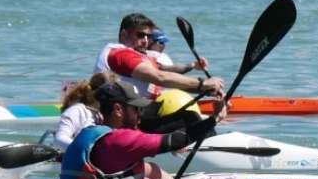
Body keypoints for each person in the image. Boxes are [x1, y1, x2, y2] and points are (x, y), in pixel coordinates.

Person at [60, 80, 227, 179]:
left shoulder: (91, 134)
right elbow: (175, 140)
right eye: (136, 108)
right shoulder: (118, 139)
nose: (141, 114)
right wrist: (216, 117)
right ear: (118, 109)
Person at [94, 13, 223, 133]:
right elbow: (160, 77)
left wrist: (204, 87)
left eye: (148, 37)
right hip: (124, 120)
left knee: (191, 117)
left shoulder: (137, 56)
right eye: (140, 35)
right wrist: (203, 83)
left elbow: (165, 70)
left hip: (140, 111)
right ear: (124, 35)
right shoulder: (121, 55)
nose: (145, 41)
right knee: (191, 118)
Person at [54, 72, 172, 179]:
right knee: (142, 176)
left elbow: (135, 137)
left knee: (151, 168)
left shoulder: (111, 116)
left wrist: (170, 145)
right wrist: (91, 153)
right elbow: (59, 139)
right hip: (81, 171)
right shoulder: (78, 111)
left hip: (105, 168)